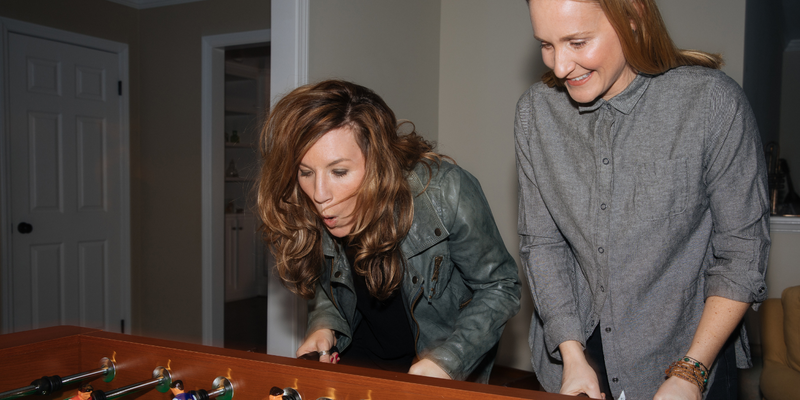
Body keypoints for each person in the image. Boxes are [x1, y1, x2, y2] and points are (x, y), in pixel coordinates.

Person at [515, 0, 769, 399]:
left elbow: (742, 252)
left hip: (689, 359)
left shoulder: (711, 103)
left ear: (631, 18)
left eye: (577, 43)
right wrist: (572, 355)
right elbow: (543, 244)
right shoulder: (535, 113)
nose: (560, 66)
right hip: (576, 360)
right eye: (546, 45)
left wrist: (690, 371)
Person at [257, 79, 521, 382]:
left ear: (379, 162)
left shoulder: (446, 191)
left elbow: (500, 286)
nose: (319, 194)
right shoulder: (313, 202)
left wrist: (448, 361)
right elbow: (327, 285)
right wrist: (324, 325)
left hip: (434, 365)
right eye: (305, 172)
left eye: (339, 171)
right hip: (358, 362)